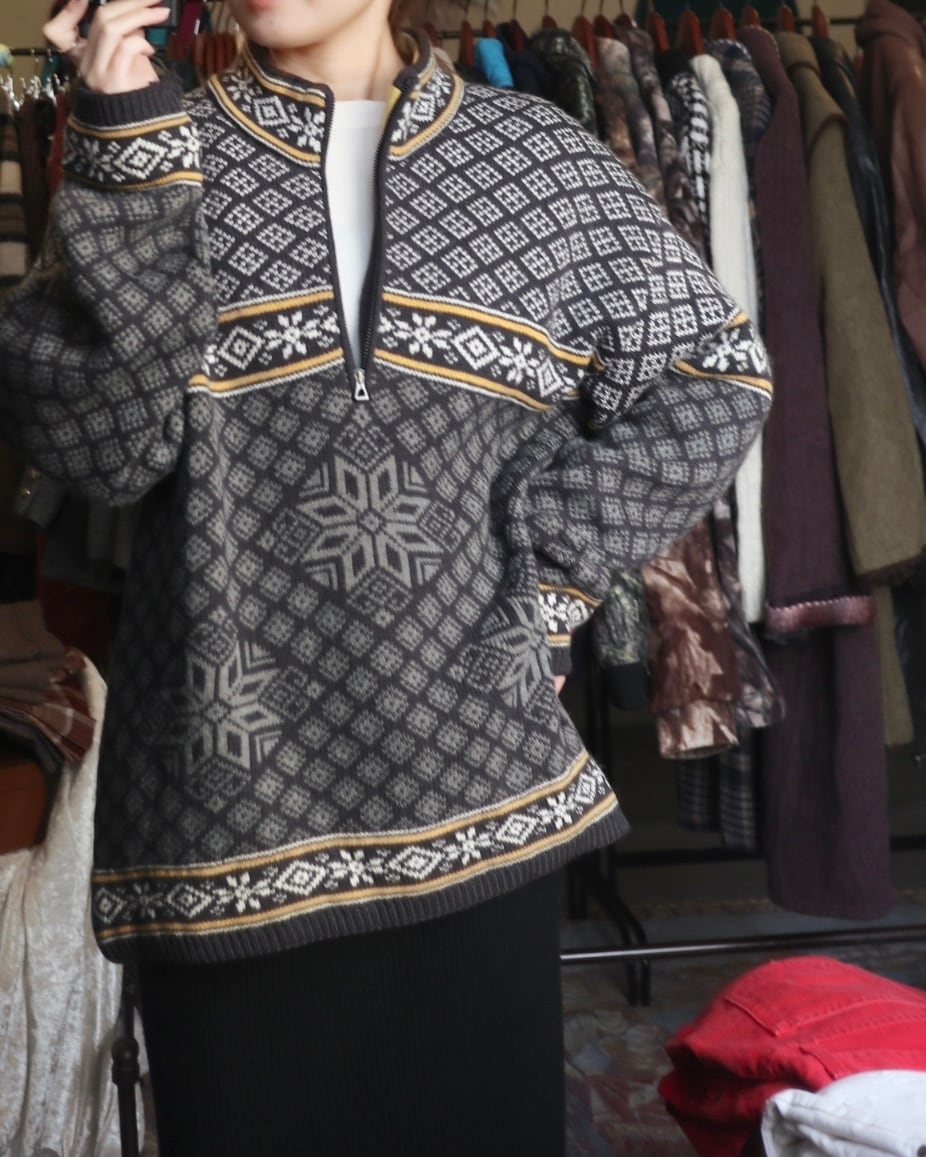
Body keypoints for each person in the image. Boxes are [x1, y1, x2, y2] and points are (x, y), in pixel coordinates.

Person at [1, 0, 771, 1152]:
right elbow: (108, 451)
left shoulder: (534, 162)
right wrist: (125, 158)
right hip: (225, 819)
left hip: (479, 802)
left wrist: (545, 580)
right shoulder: (153, 150)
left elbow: (711, 370)